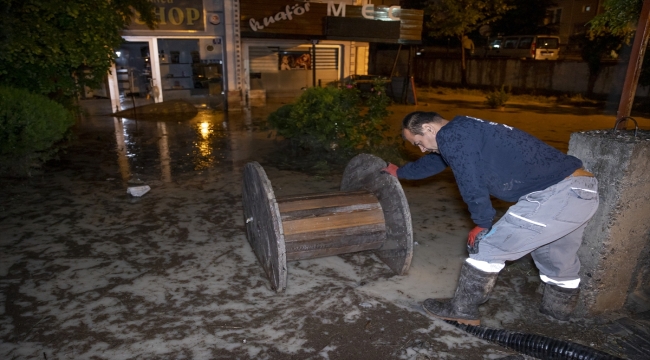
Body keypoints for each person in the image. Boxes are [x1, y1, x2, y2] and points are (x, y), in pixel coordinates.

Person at [382, 111, 599, 325]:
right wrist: (400, 172)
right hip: (581, 190)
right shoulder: (465, 130)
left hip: (555, 195)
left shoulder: (451, 135)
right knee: (556, 258)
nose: (422, 149)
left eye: (419, 142)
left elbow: (470, 180)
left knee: (486, 248)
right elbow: (435, 162)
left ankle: (462, 311)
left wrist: (482, 222)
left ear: (429, 128)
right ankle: (558, 315)